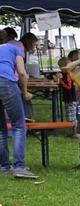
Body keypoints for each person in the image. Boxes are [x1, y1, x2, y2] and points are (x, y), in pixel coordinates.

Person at [0, 31, 36, 179]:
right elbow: (21, 72)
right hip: (7, 83)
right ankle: (19, 166)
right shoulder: (15, 49)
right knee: (19, 125)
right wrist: (25, 92)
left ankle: (4, 166)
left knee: (0, 128)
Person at [57, 57, 78, 128]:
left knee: (72, 116)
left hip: (71, 98)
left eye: (61, 67)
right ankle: (75, 130)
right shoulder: (66, 74)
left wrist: (60, 80)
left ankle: (76, 132)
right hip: (68, 98)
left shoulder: (69, 74)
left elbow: (68, 86)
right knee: (70, 115)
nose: (60, 69)